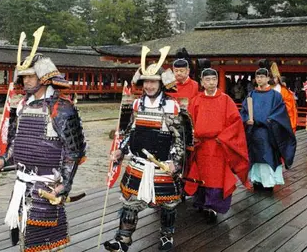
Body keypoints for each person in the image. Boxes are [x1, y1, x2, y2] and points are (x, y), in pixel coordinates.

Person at [0, 48, 86, 250]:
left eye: (31, 76)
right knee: (26, 239)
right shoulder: (21, 106)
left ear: (44, 76)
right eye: (23, 77)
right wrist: (0, 161)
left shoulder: (62, 108)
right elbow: (16, 144)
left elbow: (73, 153)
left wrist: (65, 185)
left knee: (45, 242)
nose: (26, 81)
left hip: (47, 185)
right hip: (22, 184)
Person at [104, 46, 193, 252]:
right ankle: (123, 239)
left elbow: (179, 139)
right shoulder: (136, 105)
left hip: (163, 165)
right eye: (147, 81)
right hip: (138, 164)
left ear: (161, 83)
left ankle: (166, 236)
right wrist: (121, 151)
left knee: (168, 204)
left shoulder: (172, 107)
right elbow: (129, 133)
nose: (150, 85)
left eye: (154, 81)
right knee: (129, 202)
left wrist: (174, 162)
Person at [185, 66, 250, 223]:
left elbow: (235, 123)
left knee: (216, 177)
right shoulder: (196, 101)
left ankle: (213, 207)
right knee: (200, 174)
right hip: (201, 146)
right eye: (207, 80)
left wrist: (223, 138)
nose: (211, 82)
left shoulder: (226, 100)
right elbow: (189, 122)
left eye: (214, 79)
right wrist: (192, 136)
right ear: (202, 82)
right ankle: (201, 202)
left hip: (218, 145)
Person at [240, 67, 296, 192]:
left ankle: (269, 183)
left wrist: (266, 121)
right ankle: (257, 181)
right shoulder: (251, 95)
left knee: (267, 156)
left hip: (268, 133)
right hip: (254, 132)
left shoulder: (275, 96)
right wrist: (246, 120)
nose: (260, 79)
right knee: (255, 157)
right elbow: (244, 112)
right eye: (258, 77)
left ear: (268, 78)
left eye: (262, 77)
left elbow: (280, 114)